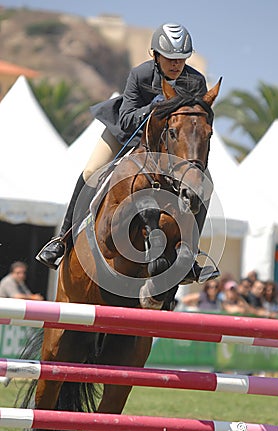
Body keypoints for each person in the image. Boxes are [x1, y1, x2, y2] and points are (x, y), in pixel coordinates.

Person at [36, 23, 219, 284]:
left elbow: (196, 121)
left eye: (181, 58)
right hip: (125, 132)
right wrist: (154, 109)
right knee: (91, 171)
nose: (176, 64)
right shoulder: (141, 75)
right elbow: (126, 120)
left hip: (169, 145)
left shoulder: (195, 82)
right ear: (156, 55)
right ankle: (62, 239)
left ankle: (189, 257)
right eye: (170, 58)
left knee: (205, 184)